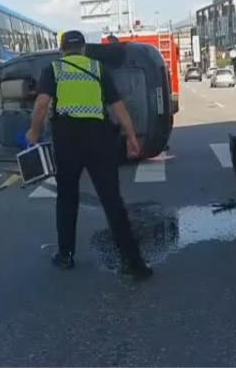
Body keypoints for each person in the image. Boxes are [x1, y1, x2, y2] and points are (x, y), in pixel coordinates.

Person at [26, 30, 152, 280]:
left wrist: (34, 132)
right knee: (112, 200)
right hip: (99, 139)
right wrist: (132, 138)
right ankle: (134, 262)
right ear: (84, 49)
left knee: (67, 199)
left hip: (67, 139)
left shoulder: (54, 69)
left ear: (62, 50)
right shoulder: (98, 68)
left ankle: (66, 255)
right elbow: (118, 107)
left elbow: (41, 104)